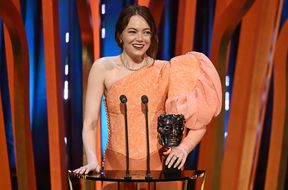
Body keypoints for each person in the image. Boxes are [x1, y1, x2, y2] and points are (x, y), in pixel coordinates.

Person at [74, 5, 222, 190]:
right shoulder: (102, 68)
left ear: (152, 37)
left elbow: (199, 121)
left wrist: (183, 148)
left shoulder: (166, 70)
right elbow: (90, 123)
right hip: (117, 170)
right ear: (120, 35)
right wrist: (93, 160)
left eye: (146, 32)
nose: (139, 39)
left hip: (159, 172)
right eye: (132, 32)